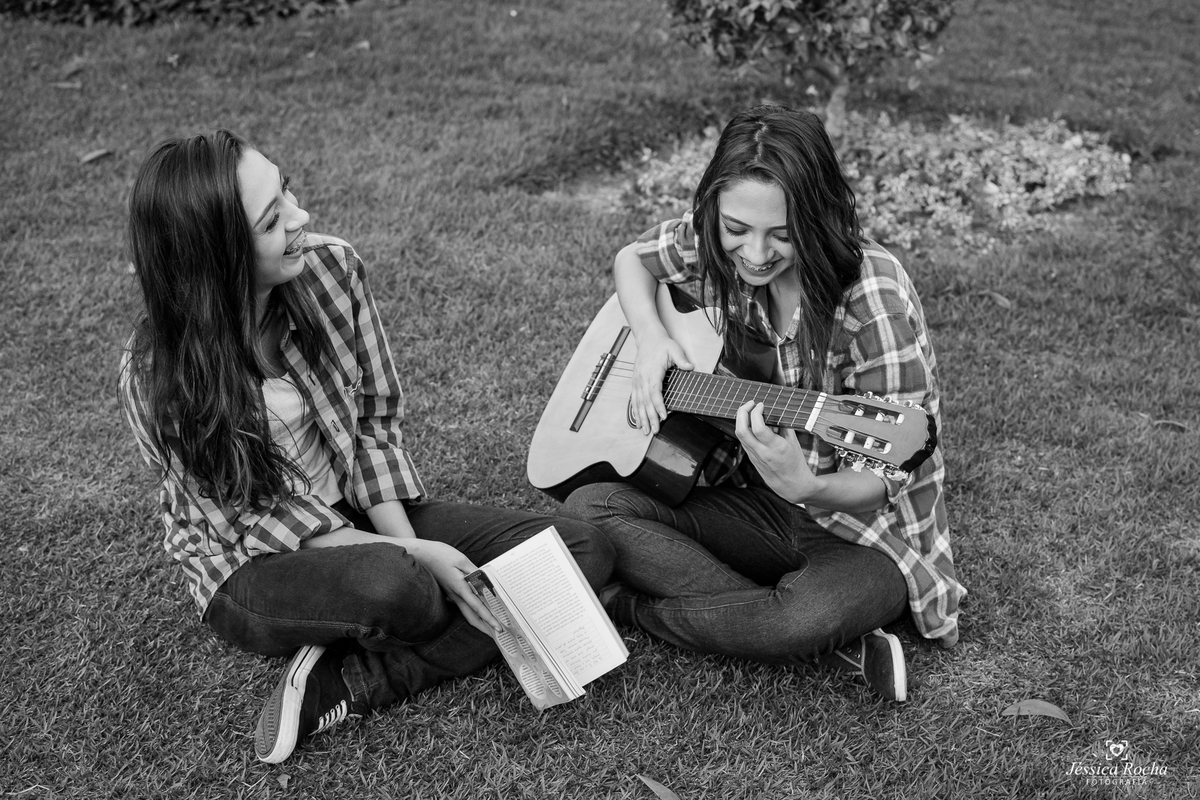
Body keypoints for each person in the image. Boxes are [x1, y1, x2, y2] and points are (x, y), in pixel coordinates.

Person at [118, 130, 615, 763]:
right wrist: (416, 555)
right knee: (400, 588)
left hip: (356, 512)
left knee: (581, 547)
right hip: (249, 564)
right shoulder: (157, 372)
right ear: (217, 259)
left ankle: (356, 676)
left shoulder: (332, 268)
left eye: (287, 191)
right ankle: (362, 648)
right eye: (273, 221)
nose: (301, 218)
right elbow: (255, 516)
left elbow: (372, 424)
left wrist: (410, 539)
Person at [562, 105, 965, 702]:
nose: (753, 253)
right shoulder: (721, 240)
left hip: (866, 533)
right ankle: (825, 646)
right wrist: (651, 341)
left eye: (781, 234)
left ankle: (626, 604)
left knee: (801, 618)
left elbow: (889, 473)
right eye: (735, 229)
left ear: (817, 213)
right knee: (591, 507)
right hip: (756, 502)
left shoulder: (868, 298)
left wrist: (809, 486)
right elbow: (633, 260)